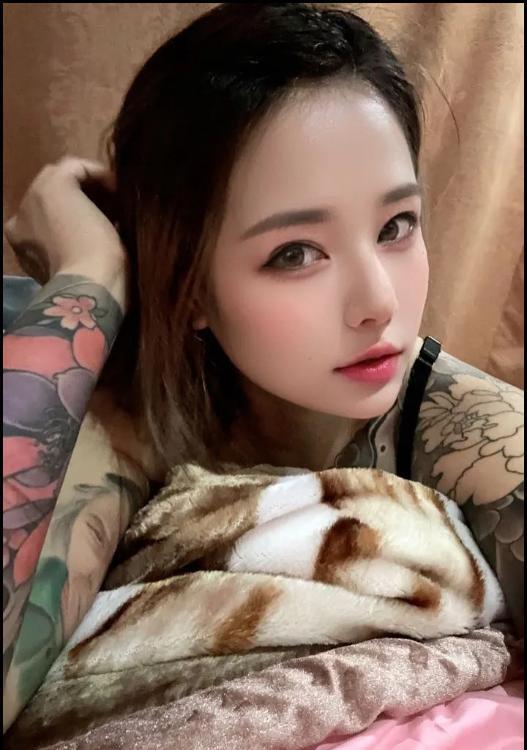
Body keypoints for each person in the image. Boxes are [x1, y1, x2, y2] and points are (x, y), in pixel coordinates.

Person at [3, 2, 523, 732]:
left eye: (395, 226)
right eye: (295, 253)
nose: (378, 303)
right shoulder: (130, 413)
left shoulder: (468, 430)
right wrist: (92, 272)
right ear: (188, 288)